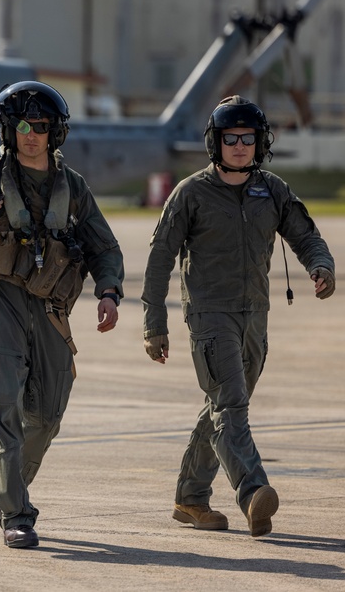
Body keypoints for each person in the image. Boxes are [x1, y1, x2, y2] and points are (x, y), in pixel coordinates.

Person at [0, 81, 124, 549]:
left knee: (49, 412)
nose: (30, 135)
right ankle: (16, 513)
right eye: (21, 125)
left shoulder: (72, 187)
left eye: (39, 126)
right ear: (7, 129)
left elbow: (105, 246)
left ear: (53, 132)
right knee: (3, 406)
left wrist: (110, 292)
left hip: (51, 307)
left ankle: (11, 482)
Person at [142, 95, 335, 538]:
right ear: (216, 142)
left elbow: (306, 235)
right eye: (231, 138)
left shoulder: (272, 189)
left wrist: (321, 267)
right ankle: (253, 492)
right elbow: (158, 260)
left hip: (256, 316)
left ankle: (190, 498)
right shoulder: (190, 193)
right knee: (232, 405)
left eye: (248, 139)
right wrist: (155, 324)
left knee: (221, 408)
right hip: (210, 316)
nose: (240, 146)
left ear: (260, 142)